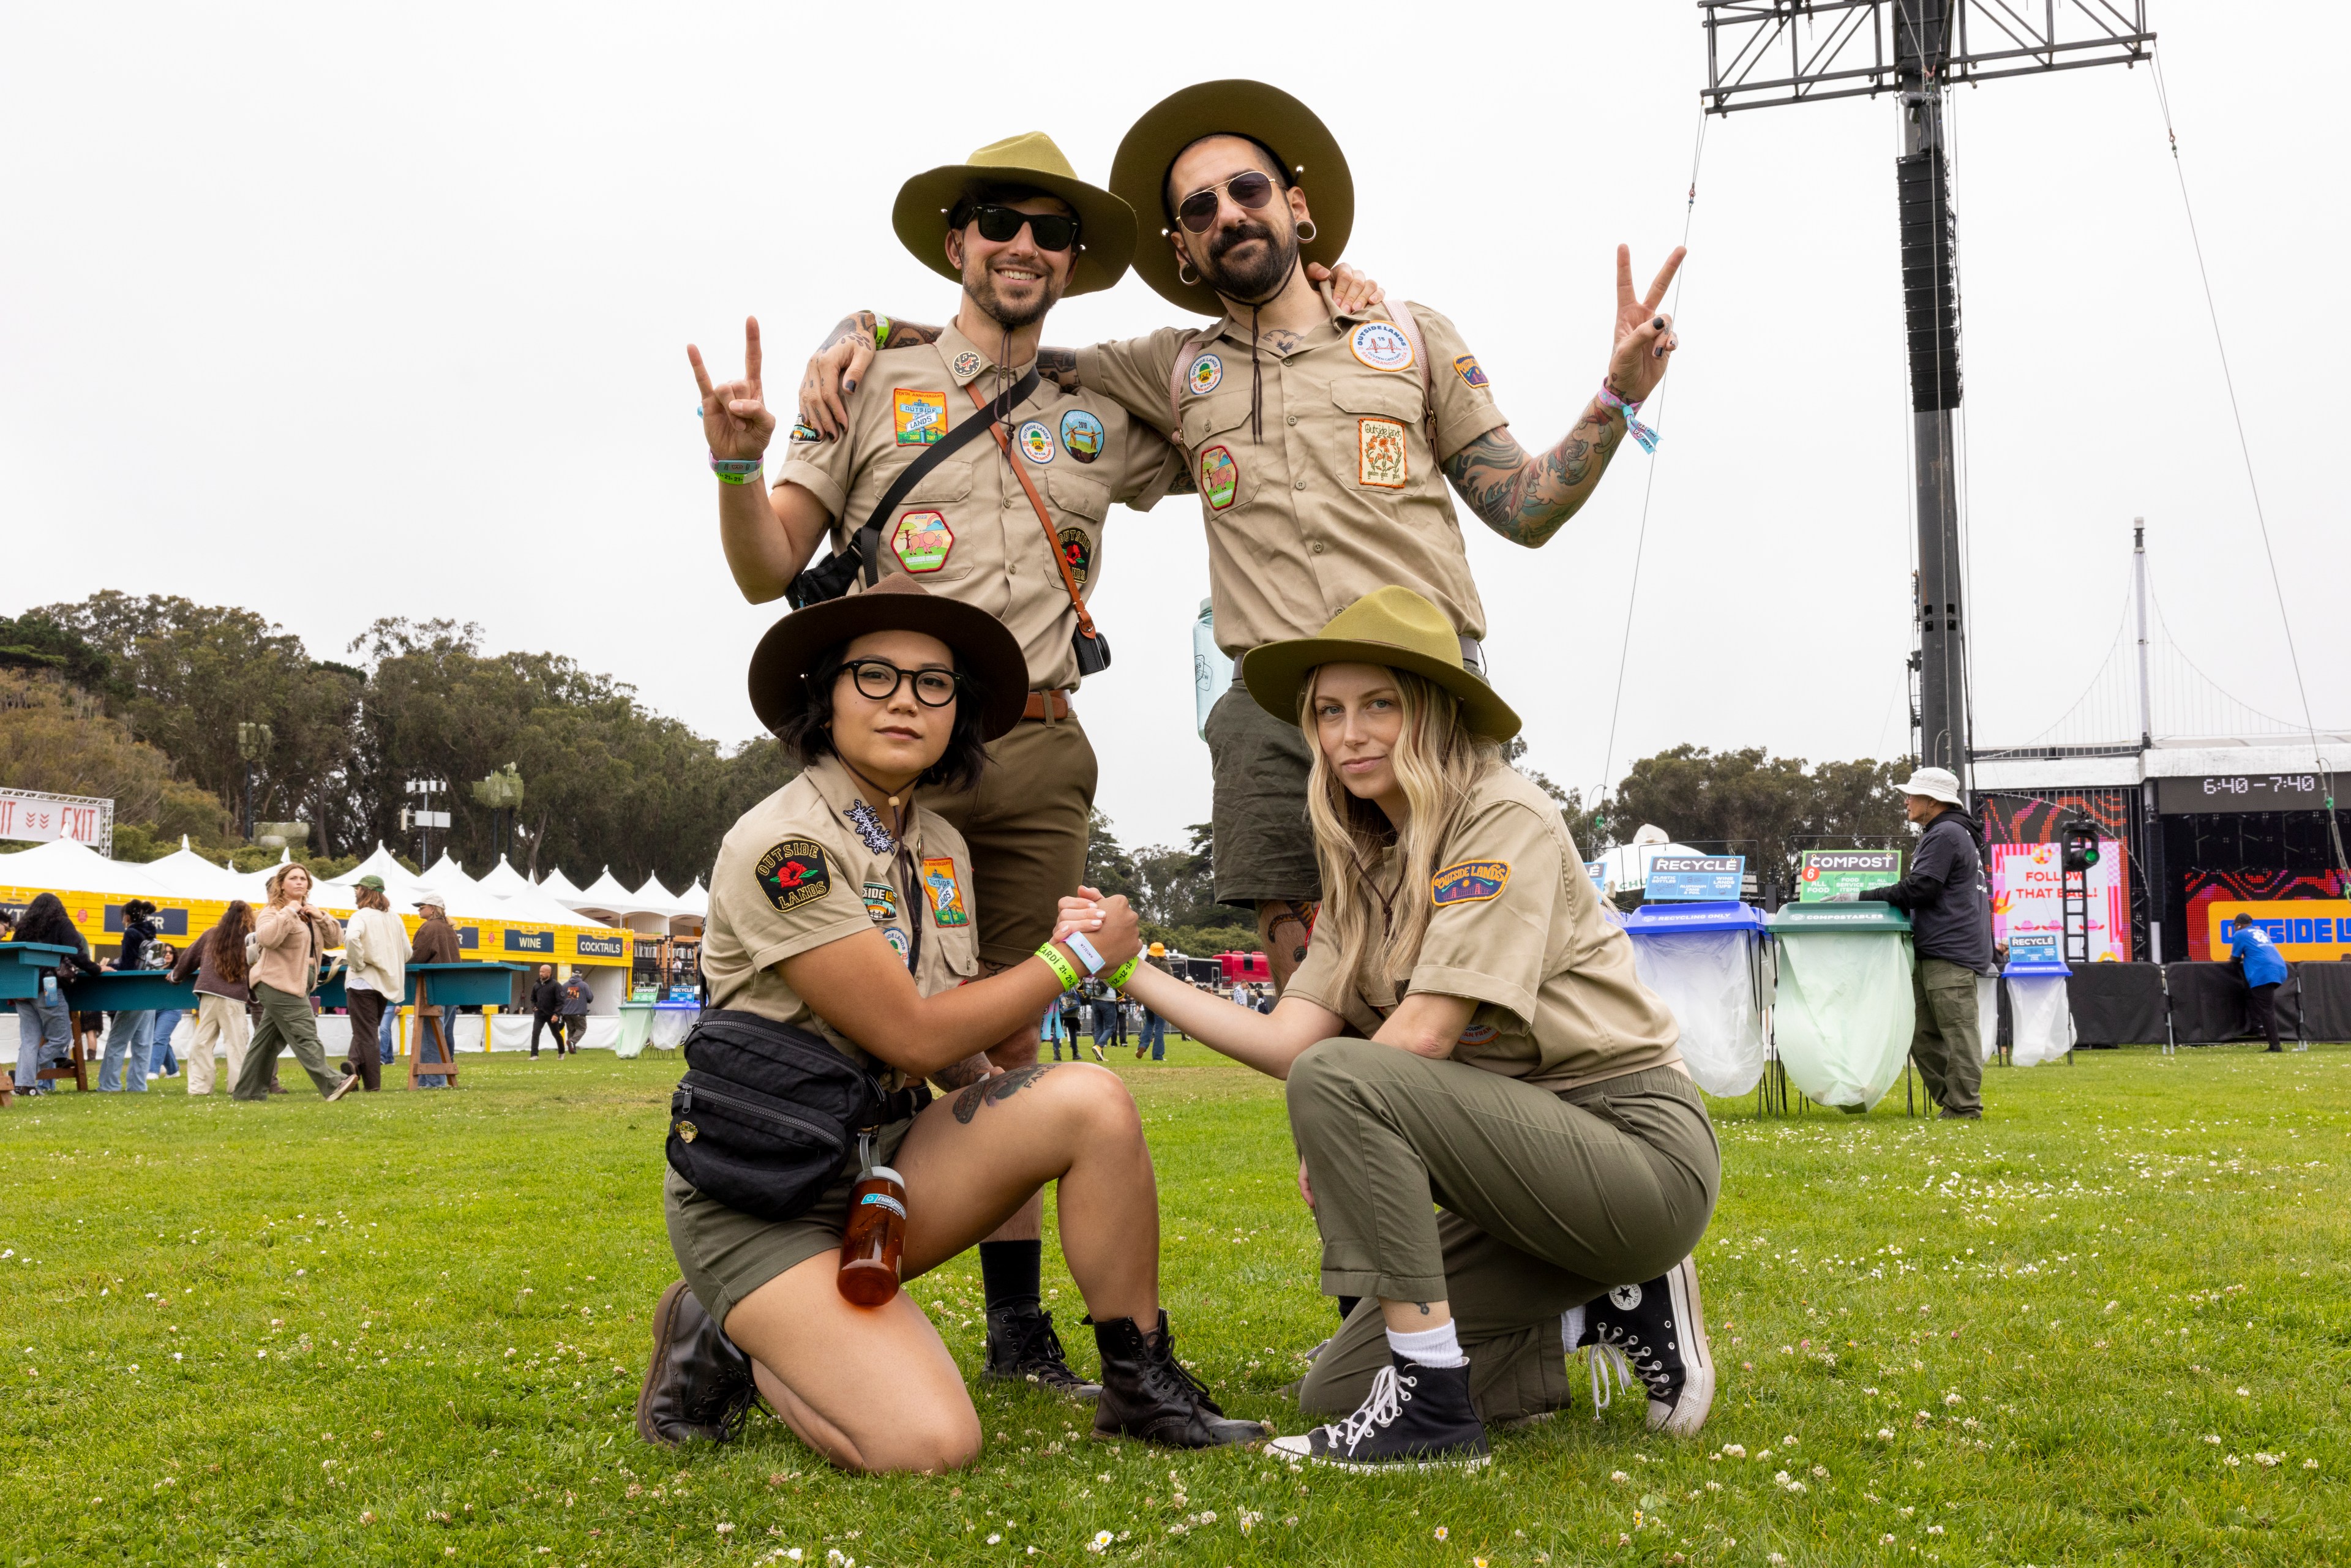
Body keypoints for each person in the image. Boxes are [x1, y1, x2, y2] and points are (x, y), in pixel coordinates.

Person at [692, 134, 1381, 1397]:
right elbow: (763, 563)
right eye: (997, 221)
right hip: (895, 745)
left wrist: (1329, 301)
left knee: (1014, 1027)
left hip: (1043, 744)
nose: (1024, 244)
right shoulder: (870, 376)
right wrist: (742, 458)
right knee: (887, 1029)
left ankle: (1020, 1331)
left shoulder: (1102, 402)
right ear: (956, 242)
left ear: (1074, 261)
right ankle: (763, 1245)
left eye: (1051, 230)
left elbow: (1246, 403)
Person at [799, 81, 1680, 999]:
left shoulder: (1411, 335)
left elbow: (1524, 507)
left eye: (1249, 190)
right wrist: (858, 328)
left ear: (1296, 206)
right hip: (1274, 707)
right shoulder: (1171, 368)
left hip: (1424, 689)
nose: (1229, 214)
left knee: (1448, 957)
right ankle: (1329, 1143)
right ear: (1181, 247)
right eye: (1198, 208)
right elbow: (1002, 351)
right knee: (1310, 986)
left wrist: (1613, 399)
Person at [1056, 588, 1719, 1468]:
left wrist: (1348, 1115)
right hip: (1522, 1176)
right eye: (1328, 711)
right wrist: (1126, 967)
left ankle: (1435, 1418)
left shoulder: (1501, 814)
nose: (1347, 734)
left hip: (1632, 1144)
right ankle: (1592, 1309)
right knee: (1335, 1390)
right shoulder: (1368, 858)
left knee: (1341, 1078)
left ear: (1436, 712)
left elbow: (1419, 1040)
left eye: (1380, 705)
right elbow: (1291, 1039)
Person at [636, 574, 1258, 1471]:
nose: (905, 700)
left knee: (1087, 1098)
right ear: (826, 695)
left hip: (877, 1164)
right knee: (929, 1443)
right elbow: (915, 1035)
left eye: (935, 683)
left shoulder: (937, 843)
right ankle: (735, 1330)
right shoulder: (788, 847)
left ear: (957, 714)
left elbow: (952, 1043)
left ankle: (1140, 1381)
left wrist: (1010, 1108)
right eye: (875, 675)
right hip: (764, 1193)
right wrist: (1074, 957)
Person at [1848, 767, 1995, 1120]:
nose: (1906, 801)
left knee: (1958, 1033)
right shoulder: (1951, 833)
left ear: (1932, 801)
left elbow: (1921, 888)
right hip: (1938, 947)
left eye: (1912, 796)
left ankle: (1964, 1108)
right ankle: (1954, 1103)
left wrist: (1858, 897)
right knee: (1922, 1031)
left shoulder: (1945, 834)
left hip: (1949, 950)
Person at [234, 865, 359, 1103]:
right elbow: (268, 939)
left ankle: (247, 1093)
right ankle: (333, 1083)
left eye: (304, 879)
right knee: (305, 1033)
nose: (300, 882)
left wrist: (321, 917)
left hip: (299, 983)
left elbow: (336, 940)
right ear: (281, 884)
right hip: (277, 982)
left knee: (267, 1042)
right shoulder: (272, 912)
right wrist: (290, 912)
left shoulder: (310, 914)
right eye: (293, 878)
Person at [170, 901, 255, 1096]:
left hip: (209, 993)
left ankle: (200, 1087)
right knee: (236, 1044)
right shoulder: (249, 939)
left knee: (202, 1042)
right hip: (235, 998)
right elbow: (255, 967)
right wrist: (255, 996)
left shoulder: (211, 934)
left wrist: (176, 976)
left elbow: (189, 958)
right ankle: (238, 1086)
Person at [8, 893, 89, 1097]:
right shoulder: (62, 923)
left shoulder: (23, 927)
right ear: (58, 908)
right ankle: (22, 1077)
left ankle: (23, 1084)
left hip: (23, 990)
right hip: (48, 987)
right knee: (62, 1038)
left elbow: (13, 957)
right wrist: (96, 969)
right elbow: (76, 953)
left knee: (29, 1040)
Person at [340, 874, 410, 1093]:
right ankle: (353, 1067)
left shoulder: (360, 916)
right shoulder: (395, 918)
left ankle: (372, 1085)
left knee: (366, 1033)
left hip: (362, 980)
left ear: (365, 891)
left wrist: (357, 962)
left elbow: (351, 939)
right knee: (367, 1030)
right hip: (384, 983)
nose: (355, 893)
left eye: (357, 889)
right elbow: (408, 952)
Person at [99, 898, 163, 1092]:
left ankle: (109, 1085)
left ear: (127, 917)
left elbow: (128, 965)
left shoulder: (131, 933)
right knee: (143, 1044)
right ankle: (138, 1085)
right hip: (150, 991)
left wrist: (110, 967)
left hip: (134, 992)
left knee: (117, 1040)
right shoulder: (150, 934)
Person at [408, 891, 462, 1087]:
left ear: (432, 909)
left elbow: (417, 957)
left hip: (434, 988)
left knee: (430, 1036)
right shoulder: (449, 929)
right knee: (440, 1035)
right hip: (451, 989)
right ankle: (426, 1079)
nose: (419, 909)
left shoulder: (428, 928)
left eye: (422, 906)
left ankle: (433, 1080)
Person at [2225, 912, 2289, 1052]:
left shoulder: (2240, 934)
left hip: (2263, 972)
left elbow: (2234, 960)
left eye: (2235, 926)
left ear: (2239, 925)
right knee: (2254, 998)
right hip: (2280, 969)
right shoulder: (2261, 932)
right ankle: (2257, 1026)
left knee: (2267, 1010)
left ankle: (2275, 1046)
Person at [528, 963, 563, 1058]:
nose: (541, 974)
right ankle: (534, 1055)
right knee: (535, 1033)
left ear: (549, 973)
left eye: (543, 972)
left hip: (552, 1015)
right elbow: (532, 999)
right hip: (539, 1015)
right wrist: (534, 1007)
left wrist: (556, 1014)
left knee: (556, 1034)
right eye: (540, 971)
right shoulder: (536, 985)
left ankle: (561, 1052)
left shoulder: (556, 985)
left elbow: (561, 1001)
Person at [560, 971, 592, 1052]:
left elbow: (560, 999)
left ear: (572, 974)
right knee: (582, 1028)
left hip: (566, 1013)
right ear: (581, 975)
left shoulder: (565, 985)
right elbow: (590, 998)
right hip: (579, 1012)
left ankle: (572, 1049)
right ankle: (572, 1042)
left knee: (571, 1030)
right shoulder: (584, 985)